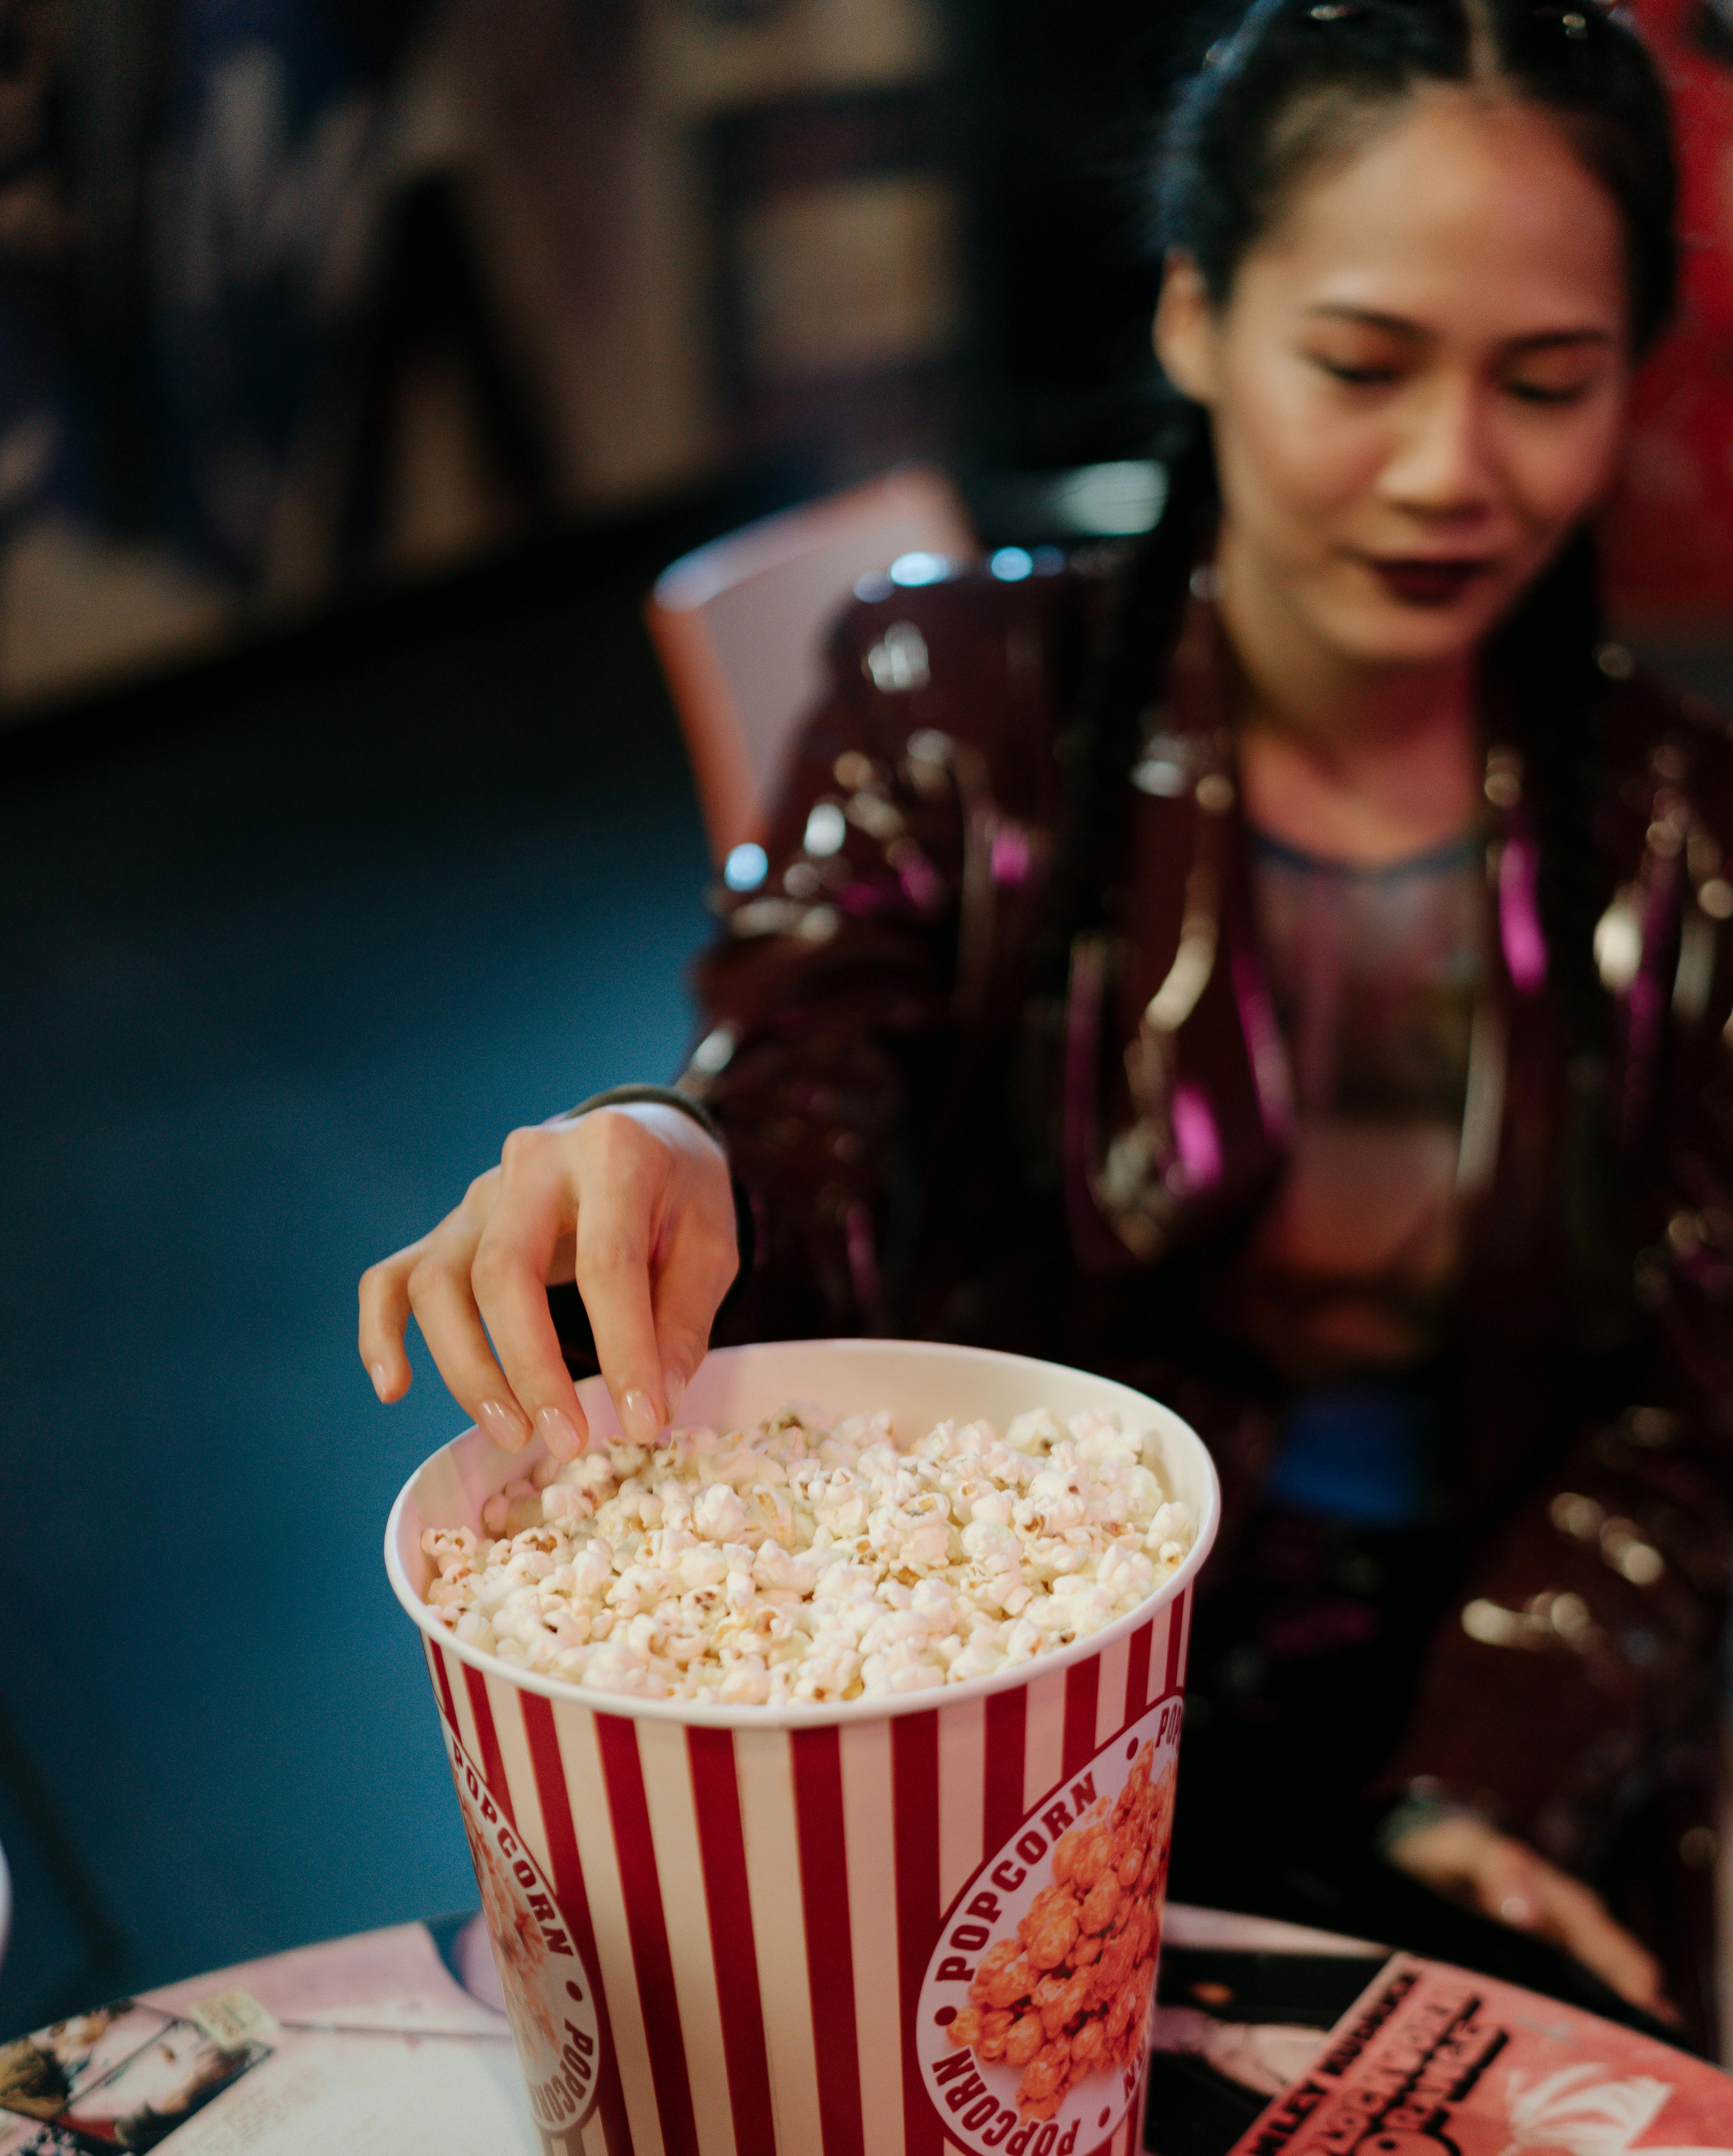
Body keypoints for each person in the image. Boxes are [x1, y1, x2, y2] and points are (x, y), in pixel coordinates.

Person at [361, 0, 1732, 2038]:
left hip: (1478, 1691)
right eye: (1360, 364)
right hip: (1004, 1693)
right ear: (1191, 315)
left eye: (1543, 382)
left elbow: (1687, 1405)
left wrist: (1490, 1770)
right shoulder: (972, 697)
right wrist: (671, 1149)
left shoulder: (1678, 835)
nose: (1450, 472)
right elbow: (805, 1074)